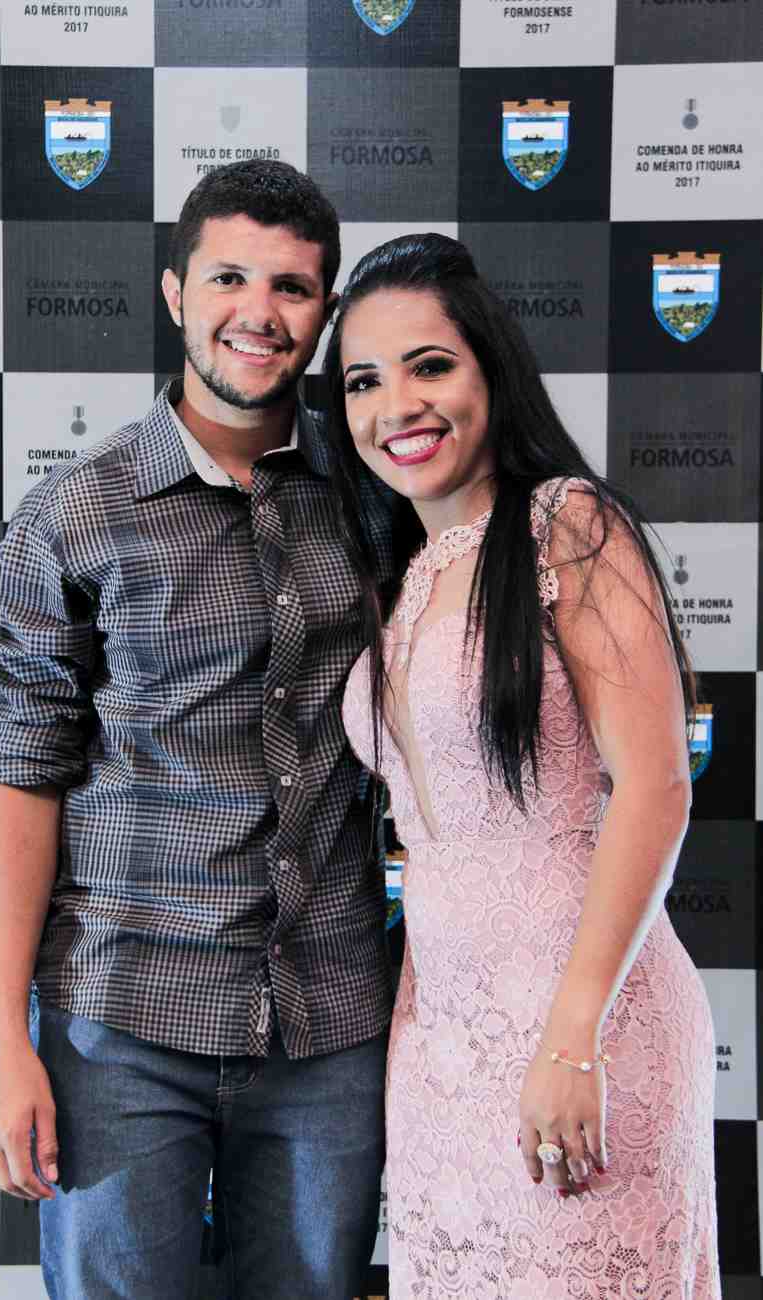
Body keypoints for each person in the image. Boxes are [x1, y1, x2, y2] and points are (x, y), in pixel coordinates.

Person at [0, 160, 394, 1300]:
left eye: (292, 287)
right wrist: (0, 1038)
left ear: (324, 310)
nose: (259, 312)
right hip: (121, 1022)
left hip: (330, 1018)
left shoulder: (378, 494)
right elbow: (22, 776)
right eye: (228, 278)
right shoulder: (74, 514)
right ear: (174, 292)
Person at [325, 233, 721, 1299]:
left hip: (585, 1026)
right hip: (438, 1051)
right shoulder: (401, 577)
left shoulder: (566, 525)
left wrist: (573, 1036)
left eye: (430, 366)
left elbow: (656, 785)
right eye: (363, 380)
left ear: (491, 371)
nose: (396, 406)